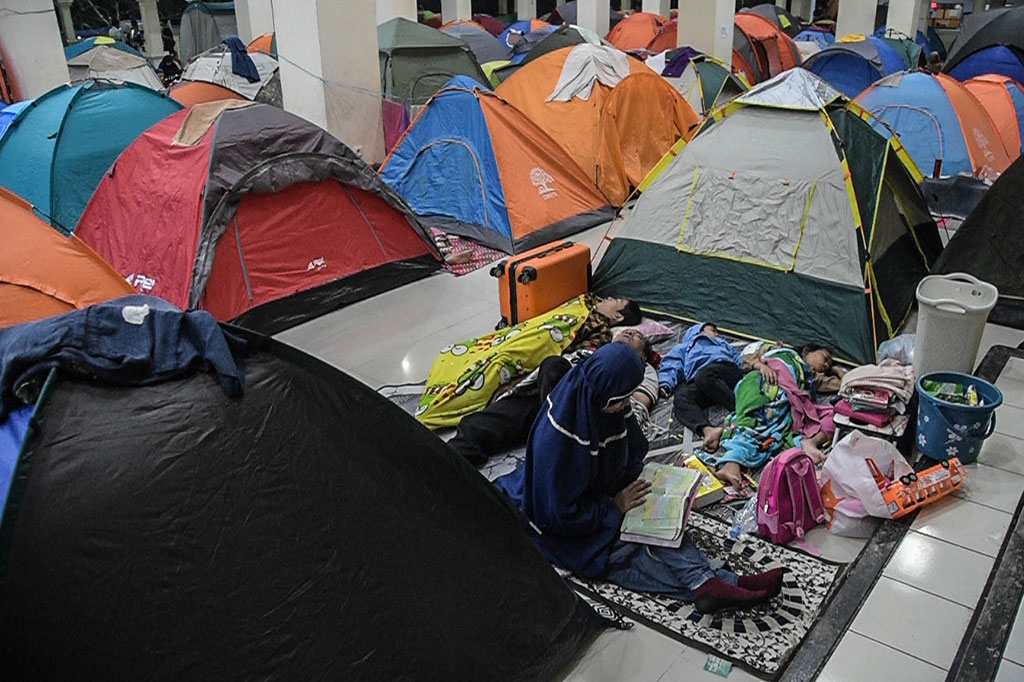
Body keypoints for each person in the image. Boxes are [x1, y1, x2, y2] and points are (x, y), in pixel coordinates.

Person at [495, 344, 784, 614]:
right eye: (620, 401)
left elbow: (632, 448)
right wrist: (614, 507)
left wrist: (646, 483)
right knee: (623, 555)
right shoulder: (557, 439)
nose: (624, 406)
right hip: (564, 526)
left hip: (601, 496)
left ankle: (713, 583)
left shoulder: (603, 404)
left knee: (659, 522)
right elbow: (557, 513)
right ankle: (713, 584)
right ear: (603, 394)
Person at [448, 329, 656, 466]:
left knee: (554, 366)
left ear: (643, 356)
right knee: (474, 427)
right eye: (628, 331)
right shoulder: (587, 354)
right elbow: (539, 377)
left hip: (583, 418)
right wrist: (512, 391)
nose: (630, 332)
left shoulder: (643, 372)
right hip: (544, 400)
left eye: (637, 336)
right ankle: (438, 473)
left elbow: (635, 407)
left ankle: (554, 441)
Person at [714, 346, 837, 490]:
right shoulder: (779, 350)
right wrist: (760, 366)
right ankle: (731, 463)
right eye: (825, 357)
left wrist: (836, 370)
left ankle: (809, 442)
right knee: (753, 416)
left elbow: (844, 384)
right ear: (808, 351)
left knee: (836, 416)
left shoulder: (811, 377)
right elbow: (742, 360)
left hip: (787, 399)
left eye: (829, 365)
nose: (827, 364)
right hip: (759, 382)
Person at [658, 323, 778, 452]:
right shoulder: (684, 347)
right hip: (703, 382)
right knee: (680, 398)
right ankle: (708, 430)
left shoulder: (721, 343)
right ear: (699, 330)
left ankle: (740, 411)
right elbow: (672, 364)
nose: (716, 333)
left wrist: (758, 365)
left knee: (704, 376)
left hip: (725, 370)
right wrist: (666, 384)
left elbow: (740, 360)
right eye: (713, 330)